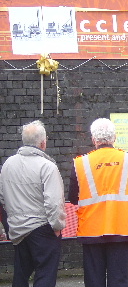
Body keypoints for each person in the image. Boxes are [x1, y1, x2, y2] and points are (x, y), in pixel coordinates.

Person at [69, 118, 128, 287]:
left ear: (93, 139)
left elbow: (73, 197)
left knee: (93, 280)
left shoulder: (80, 163)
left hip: (91, 228)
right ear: (114, 138)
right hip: (122, 226)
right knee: (118, 279)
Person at [0, 120, 66, 287]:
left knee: (21, 274)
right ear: (43, 142)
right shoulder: (47, 167)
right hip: (42, 228)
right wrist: (57, 227)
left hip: (17, 229)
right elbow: (54, 202)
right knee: (45, 274)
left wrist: (8, 225)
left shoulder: (8, 164)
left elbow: (2, 198)